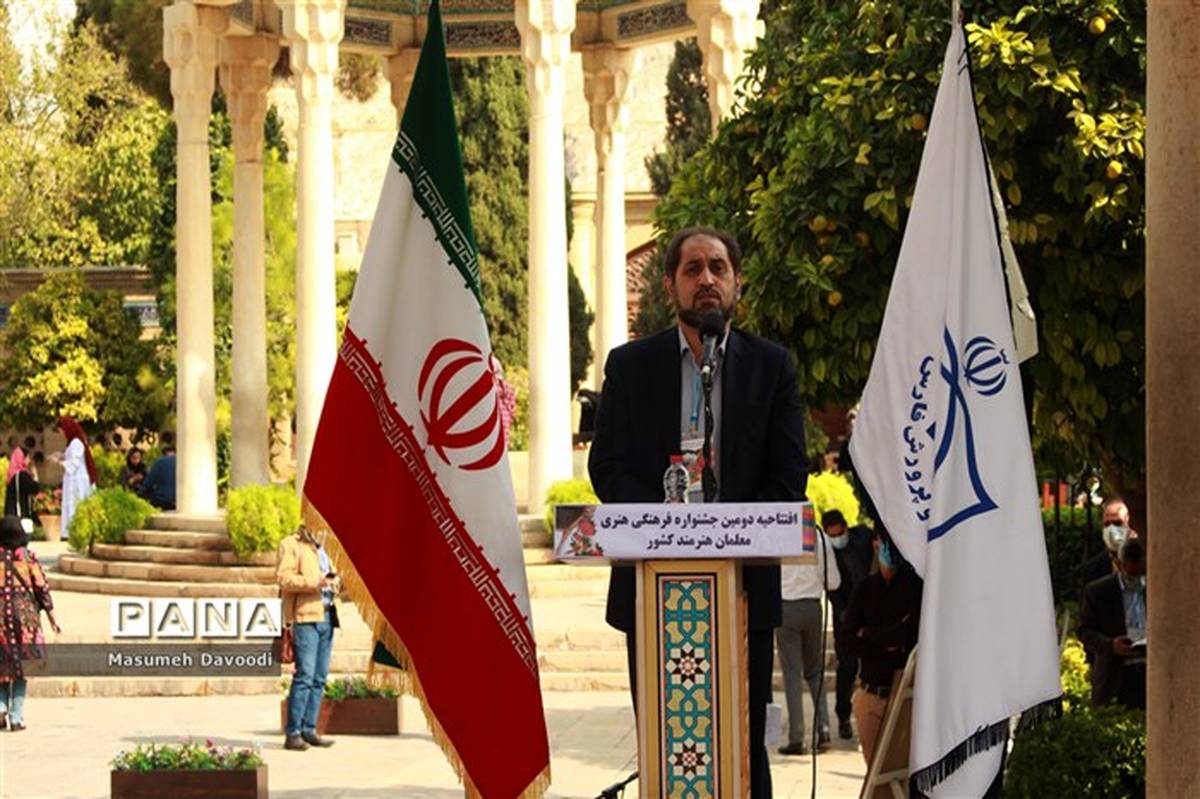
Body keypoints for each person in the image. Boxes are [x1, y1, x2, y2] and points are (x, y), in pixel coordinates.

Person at [589, 226, 806, 798]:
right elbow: (607, 469)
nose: (706, 279)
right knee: (668, 748)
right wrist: (671, 528)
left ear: (738, 282)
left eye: (718, 267)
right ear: (670, 286)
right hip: (652, 595)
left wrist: (724, 533)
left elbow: (788, 479)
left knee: (741, 747)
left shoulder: (772, 367)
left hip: (742, 595)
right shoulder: (630, 366)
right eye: (692, 269)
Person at [838, 527, 922, 768]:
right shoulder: (865, 588)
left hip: (904, 695)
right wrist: (885, 642)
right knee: (875, 770)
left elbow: (909, 636)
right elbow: (847, 638)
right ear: (875, 543)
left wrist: (869, 634)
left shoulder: (915, 587)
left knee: (902, 771)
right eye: (884, 542)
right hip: (870, 694)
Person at [776, 516, 840, 755]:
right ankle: (824, 729)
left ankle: (796, 738)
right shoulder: (820, 538)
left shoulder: (776, 533)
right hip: (813, 608)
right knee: (815, 671)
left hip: (785, 609)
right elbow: (834, 582)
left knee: (792, 675)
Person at [278, 525, 339, 751]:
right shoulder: (291, 544)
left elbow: (332, 577)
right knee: (305, 676)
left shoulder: (325, 546)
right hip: (305, 618)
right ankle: (293, 733)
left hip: (327, 616)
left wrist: (335, 582)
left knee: (319, 677)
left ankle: (309, 729)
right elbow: (283, 578)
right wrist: (316, 582)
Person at [0, 515, 60, 730]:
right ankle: (16, 717)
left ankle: (0, 707)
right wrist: (52, 617)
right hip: (25, 619)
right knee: (23, 668)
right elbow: (42, 588)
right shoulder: (28, 557)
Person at [1078, 538, 1146, 710]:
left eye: (1139, 573)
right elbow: (1085, 632)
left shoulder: (1157, 588)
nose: (1135, 578)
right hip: (1115, 676)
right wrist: (1111, 645)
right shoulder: (1098, 592)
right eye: (1130, 574)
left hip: (1150, 671)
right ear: (1119, 564)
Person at [824, 509, 874, 741]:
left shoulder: (862, 537)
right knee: (847, 667)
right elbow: (831, 588)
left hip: (871, 613)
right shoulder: (827, 552)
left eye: (839, 534)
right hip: (845, 616)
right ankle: (843, 716)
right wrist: (847, 617)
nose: (837, 539)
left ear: (846, 527)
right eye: (832, 536)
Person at [52, 417, 96, 542]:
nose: (61, 433)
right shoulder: (72, 443)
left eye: (62, 430)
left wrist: (59, 462)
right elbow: (71, 457)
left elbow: (74, 463)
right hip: (72, 480)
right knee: (71, 505)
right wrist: (61, 455)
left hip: (78, 481)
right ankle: (70, 532)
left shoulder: (76, 443)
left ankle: (76, 532)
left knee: (76, 505)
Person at [1078, 498, 1135, 591]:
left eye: (1117, 523)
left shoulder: (1146, 563)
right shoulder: (1091, 569)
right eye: (1107, 524)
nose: (1111, 529)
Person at [3, 448, 41, 532]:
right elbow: (35, 489)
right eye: (27, 457)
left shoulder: (11, 474)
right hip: (20, 513)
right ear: (22, 458)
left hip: (11, 513)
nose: (29, 460)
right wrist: (35, 476)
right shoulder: (22, 475)